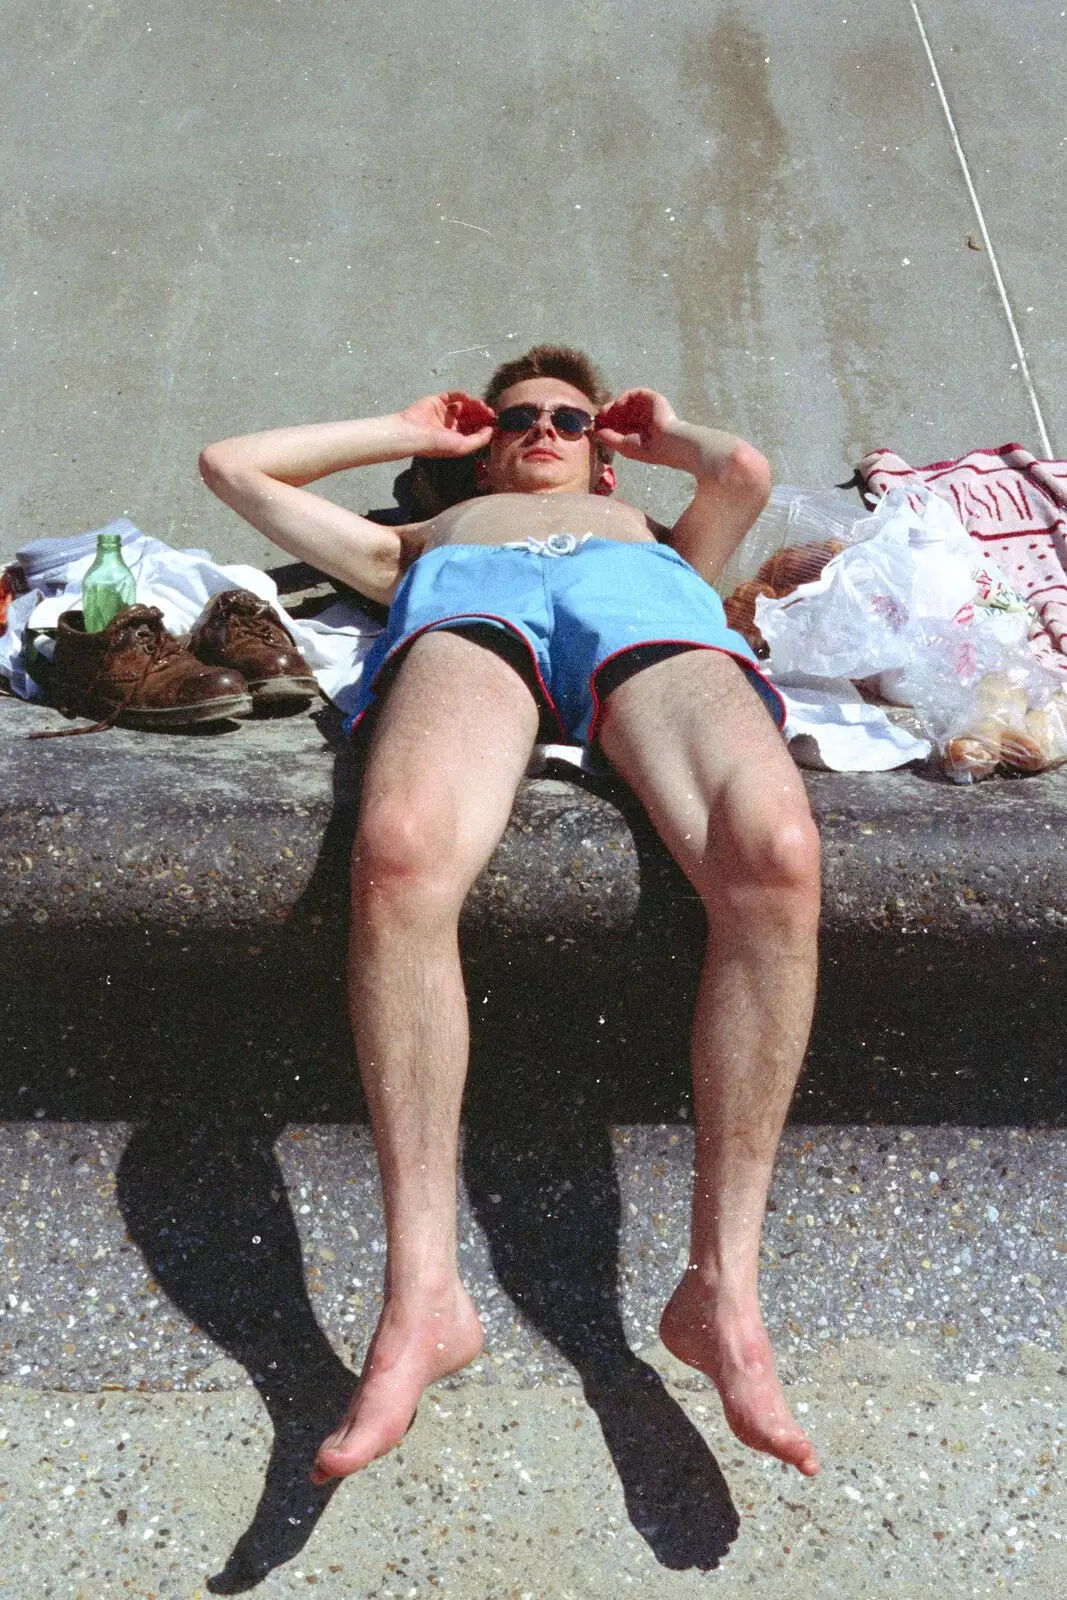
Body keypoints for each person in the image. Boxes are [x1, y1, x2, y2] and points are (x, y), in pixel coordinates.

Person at [199, 344, 822, 1484]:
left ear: (605, 452)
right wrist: (404, 433)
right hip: (469, 623)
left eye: (568, 419)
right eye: (514, 417)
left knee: (774, 853)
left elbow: (738, 466)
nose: (540, 427)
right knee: (395, 853)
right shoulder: (421, 543)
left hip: (645, 617)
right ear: (479, 444)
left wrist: (658, 433)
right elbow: (232, 467)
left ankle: (720, 1291)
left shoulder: (662, 540)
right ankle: (422, 1294)